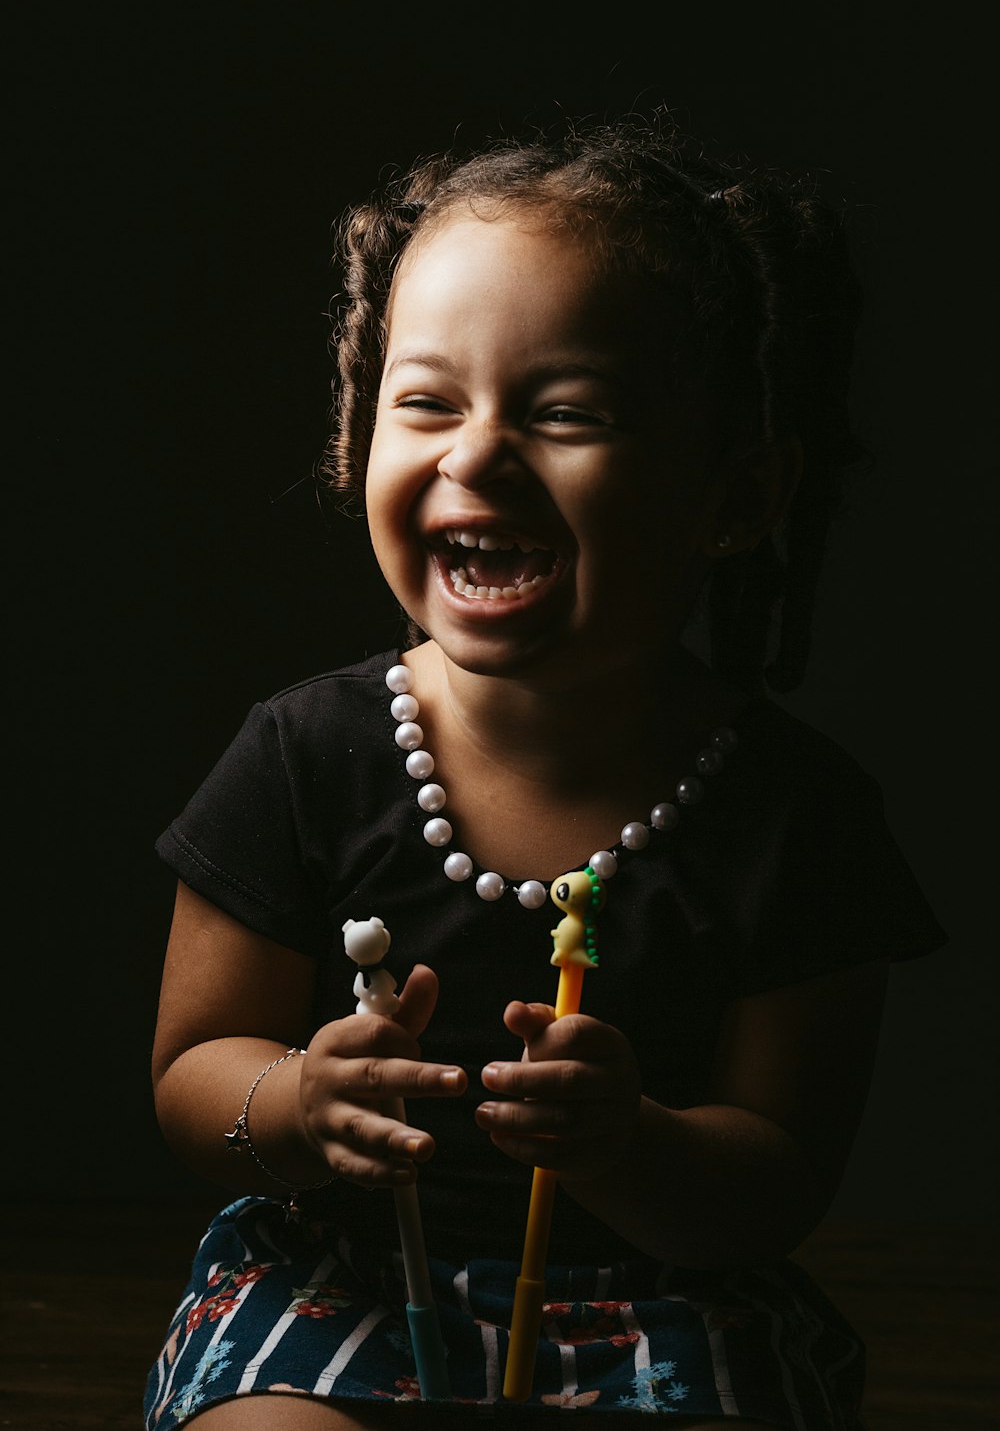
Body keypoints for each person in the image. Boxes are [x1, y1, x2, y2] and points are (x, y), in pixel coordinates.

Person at [144, 116, 945, 1430]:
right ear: (361, 443)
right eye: (427, 402)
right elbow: (191, 1075)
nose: (477, 454)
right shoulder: (301, 754)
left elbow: (781, 1176)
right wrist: (294, 1099)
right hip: (341, 1288)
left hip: (659, 1308)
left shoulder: (796, 815)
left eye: (568, 412)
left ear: (736, 495)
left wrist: (636, 1146)